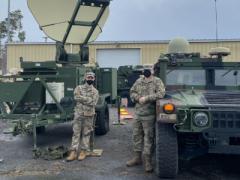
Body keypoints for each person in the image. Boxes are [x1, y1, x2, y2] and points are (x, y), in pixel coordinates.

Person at [126, 67, 165, 172]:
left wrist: (147, 98)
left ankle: (148, 162)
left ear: (153, 71)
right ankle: (137, 158)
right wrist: (138, 98)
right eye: (145, 69)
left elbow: (161, 93)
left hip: (149, 115)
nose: (147, 71)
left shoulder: (157, 81)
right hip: (138, 114)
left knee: (149, 138)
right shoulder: (139, 81)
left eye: (149, 69)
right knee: (136, 136)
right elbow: (132, 92)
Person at [66, 72, 99, 161]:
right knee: (76, 133)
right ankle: (73, 152)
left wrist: (82, 99)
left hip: (89, 115)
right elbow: (76, 97)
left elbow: (94, 102)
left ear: (94, 79)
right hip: (79, 114)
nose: (90, 79)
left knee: (86, 133)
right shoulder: (78, 88)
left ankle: (83, 151)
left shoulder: (95, 91)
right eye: (88, 77)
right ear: (85, 78)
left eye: (92, 78)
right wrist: (88, 99)